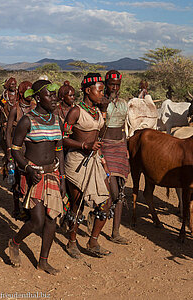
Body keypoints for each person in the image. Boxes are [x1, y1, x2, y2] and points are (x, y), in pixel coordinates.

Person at [8, 80, 66, 275]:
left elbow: (59, 150)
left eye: (55, 94)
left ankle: (43, 261)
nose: (55, 99)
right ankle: (14, 242)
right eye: (50, 95)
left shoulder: (57, 120)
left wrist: (63, 177)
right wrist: (27, 169)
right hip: (33, 174)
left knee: (52, 219)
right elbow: (15, 151)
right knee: (38, 221)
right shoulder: (27, 120)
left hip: (53, 174)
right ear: (38, 98)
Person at [63, 73, 111, 259]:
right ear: (88, 90)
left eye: (102, 91)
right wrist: (84, 146)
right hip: (76, 162)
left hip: (94, 161)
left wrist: (103, 162)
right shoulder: (75, 111)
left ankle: (93, 241)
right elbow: (63, 139)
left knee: (105, 202)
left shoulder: (98, 112)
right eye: (99, 91)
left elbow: (99, 136)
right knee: (78, 203)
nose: (102, 94)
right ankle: (72, 242)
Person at [99, 70, 130, 244]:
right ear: (106, 84)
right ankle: (96, 223)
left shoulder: (124, 103)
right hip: (105, 147)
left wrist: (125, 149)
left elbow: (123, 129)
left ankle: (115, 232)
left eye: (118, 85)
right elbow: (98, 128)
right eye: (112, 84)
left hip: (119, 148)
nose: (115, 88)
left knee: (121, 191)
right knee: (112, 191)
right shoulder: (101, 103)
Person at [6, 81, 36, 220]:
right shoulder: (15, 108)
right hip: (17, 148)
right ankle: (16, 207)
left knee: (29, 178)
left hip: (30, 148)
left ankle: (28, 207)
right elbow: (8, 132)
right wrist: (9, 150)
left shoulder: (35, 108)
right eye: (28, 91)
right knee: (16, 179)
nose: (31, 94)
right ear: (22, 92)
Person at [0, 77, 17, 158]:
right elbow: (3, 105)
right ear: (8, 85)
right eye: (12, 84)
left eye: (15, 84)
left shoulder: (19, 93)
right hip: (6, 119)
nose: (14, 86)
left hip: (16, 120)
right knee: (2, 139)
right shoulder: (4, 95)